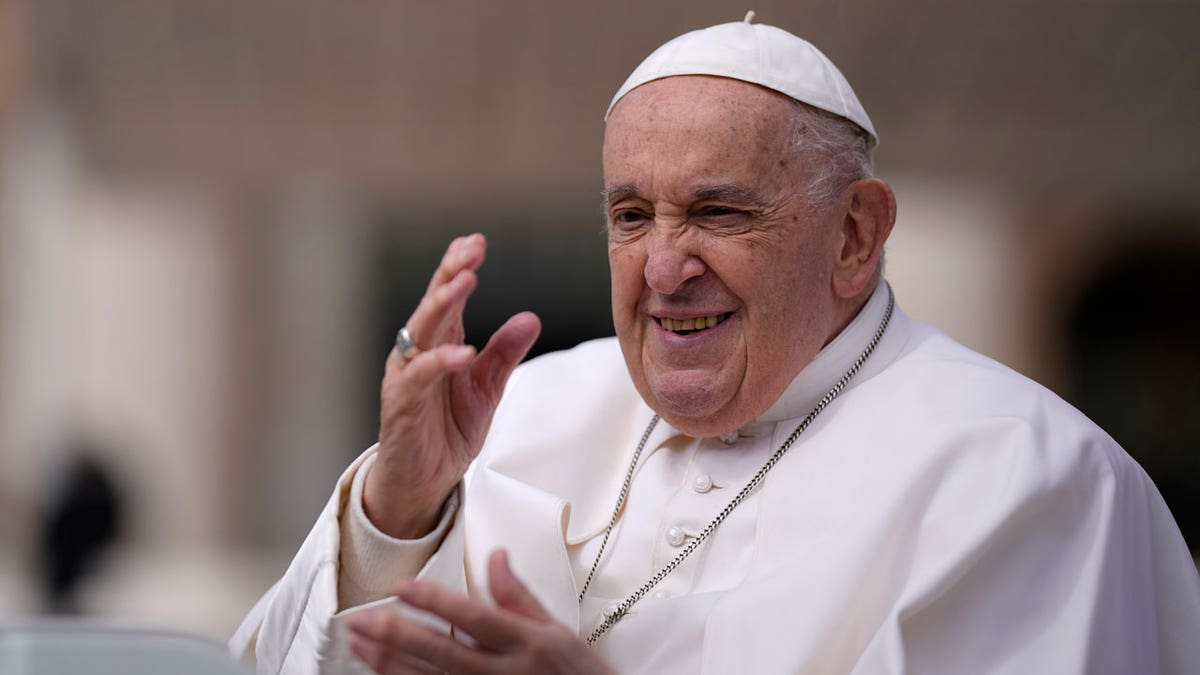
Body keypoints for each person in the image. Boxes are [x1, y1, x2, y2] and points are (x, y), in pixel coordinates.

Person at [231, 15, 1200, 675]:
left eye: (718, 211)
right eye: (630, 214)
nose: (662, 268)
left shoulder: (1029, 473)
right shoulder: (523, 408)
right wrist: (398, 510)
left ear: (856, 236)